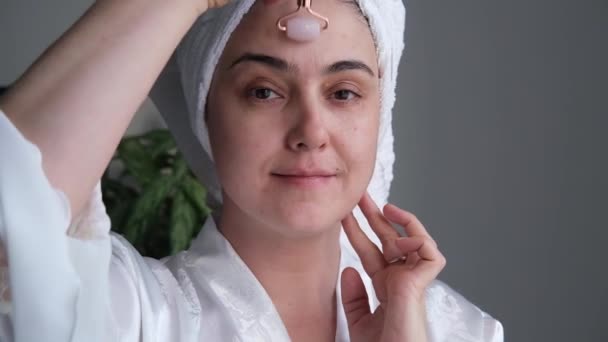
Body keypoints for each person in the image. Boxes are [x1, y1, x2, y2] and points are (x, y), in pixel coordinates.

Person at [0, 0, 503, 341]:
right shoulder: (137, 316)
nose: (311, 130)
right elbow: (17, 198)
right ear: (205, 113)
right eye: (264, 91)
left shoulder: (460, 332)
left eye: (343, 92)